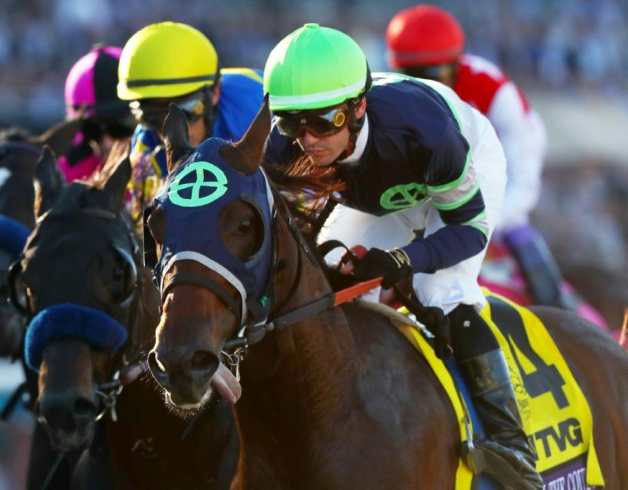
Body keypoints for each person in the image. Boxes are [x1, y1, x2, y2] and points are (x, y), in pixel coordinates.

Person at [262, 23, 541, 488]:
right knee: (333, 288)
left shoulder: (425, 132)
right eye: (292, 122)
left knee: (440, 290)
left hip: (461, 166)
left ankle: (512, 442)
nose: (307, 141)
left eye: (324, 121)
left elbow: (467, 230)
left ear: (358, 108)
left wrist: (405, 259)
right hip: (377, 193)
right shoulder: (281, 147)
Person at [385, 4, 569, 309]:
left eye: (434, 75)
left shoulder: (492, 90)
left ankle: (560, 309)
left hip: (502, 170)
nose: (425, 88)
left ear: (456, 65)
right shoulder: (391, 93)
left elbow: (524, 186)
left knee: (516, 228)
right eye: (411, 76)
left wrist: (477, 227)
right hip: (443, 184)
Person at [116, 21, 265, 221]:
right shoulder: (146, 149)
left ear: (215, 94)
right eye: (153, 117)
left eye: (185, 112)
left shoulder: (257, 110)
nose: (172, 130)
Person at [60, 45, 135, 182]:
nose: (107, 143)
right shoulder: (61, 176)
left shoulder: (171, 164)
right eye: (91, 130)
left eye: (117, 128)